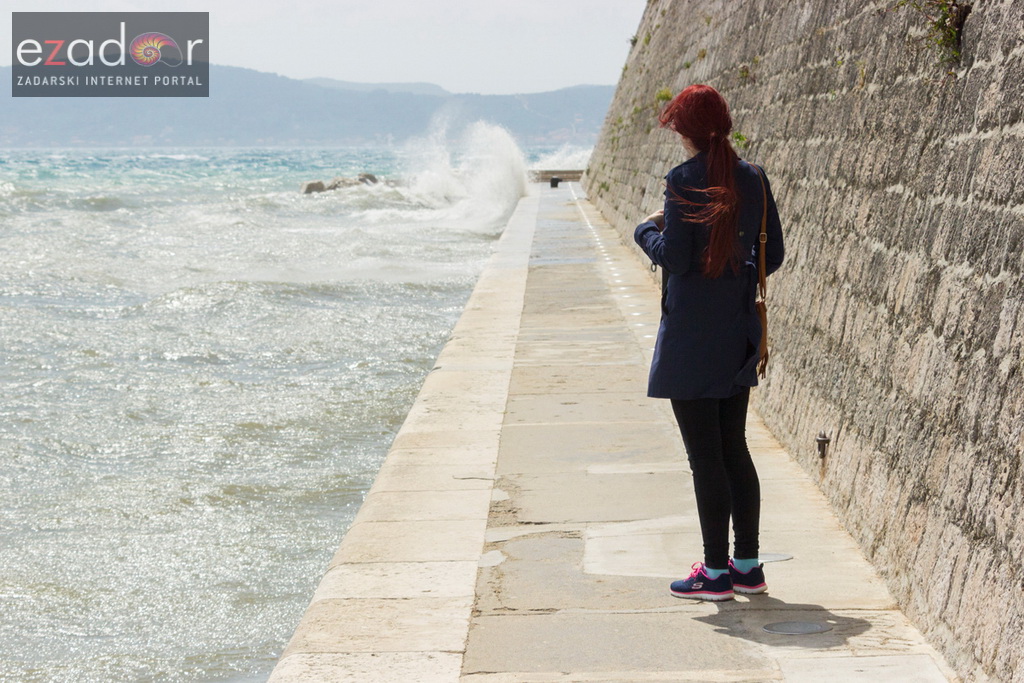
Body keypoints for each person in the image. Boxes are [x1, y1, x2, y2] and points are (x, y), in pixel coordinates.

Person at [633, 84, 784, 601]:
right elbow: (773, 255)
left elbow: (675, 257)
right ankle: (747, 567)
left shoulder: (682, 180)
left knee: (705, 457)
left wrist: (644, 231)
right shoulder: (753, 178)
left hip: (690, 339)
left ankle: (715, 573)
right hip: (737, 333)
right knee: (734, 448)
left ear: (687, 131)